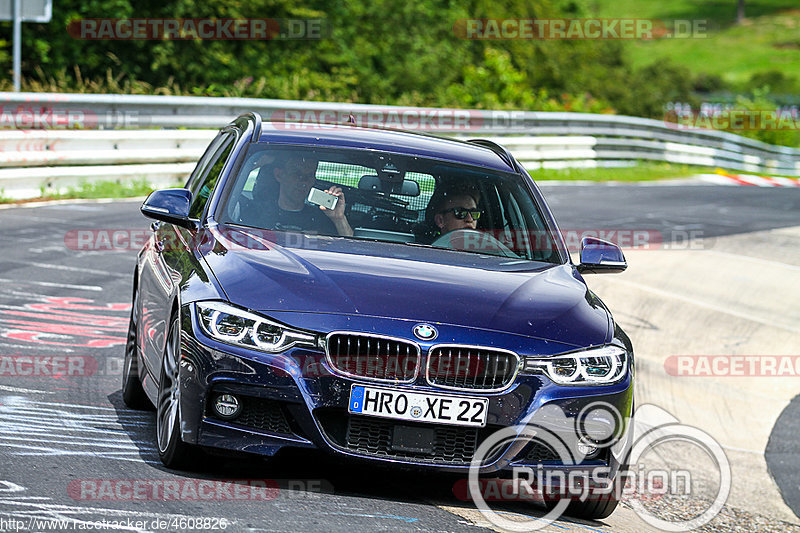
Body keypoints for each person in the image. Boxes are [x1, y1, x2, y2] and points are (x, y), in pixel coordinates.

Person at [243, 151, 353, 237]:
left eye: (309, 176)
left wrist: (339, 219)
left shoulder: (321, 218)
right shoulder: (254, 212)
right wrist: (258, 161)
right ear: (279, 175)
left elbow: (351, 249)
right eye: (297, 174)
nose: (304, 182)